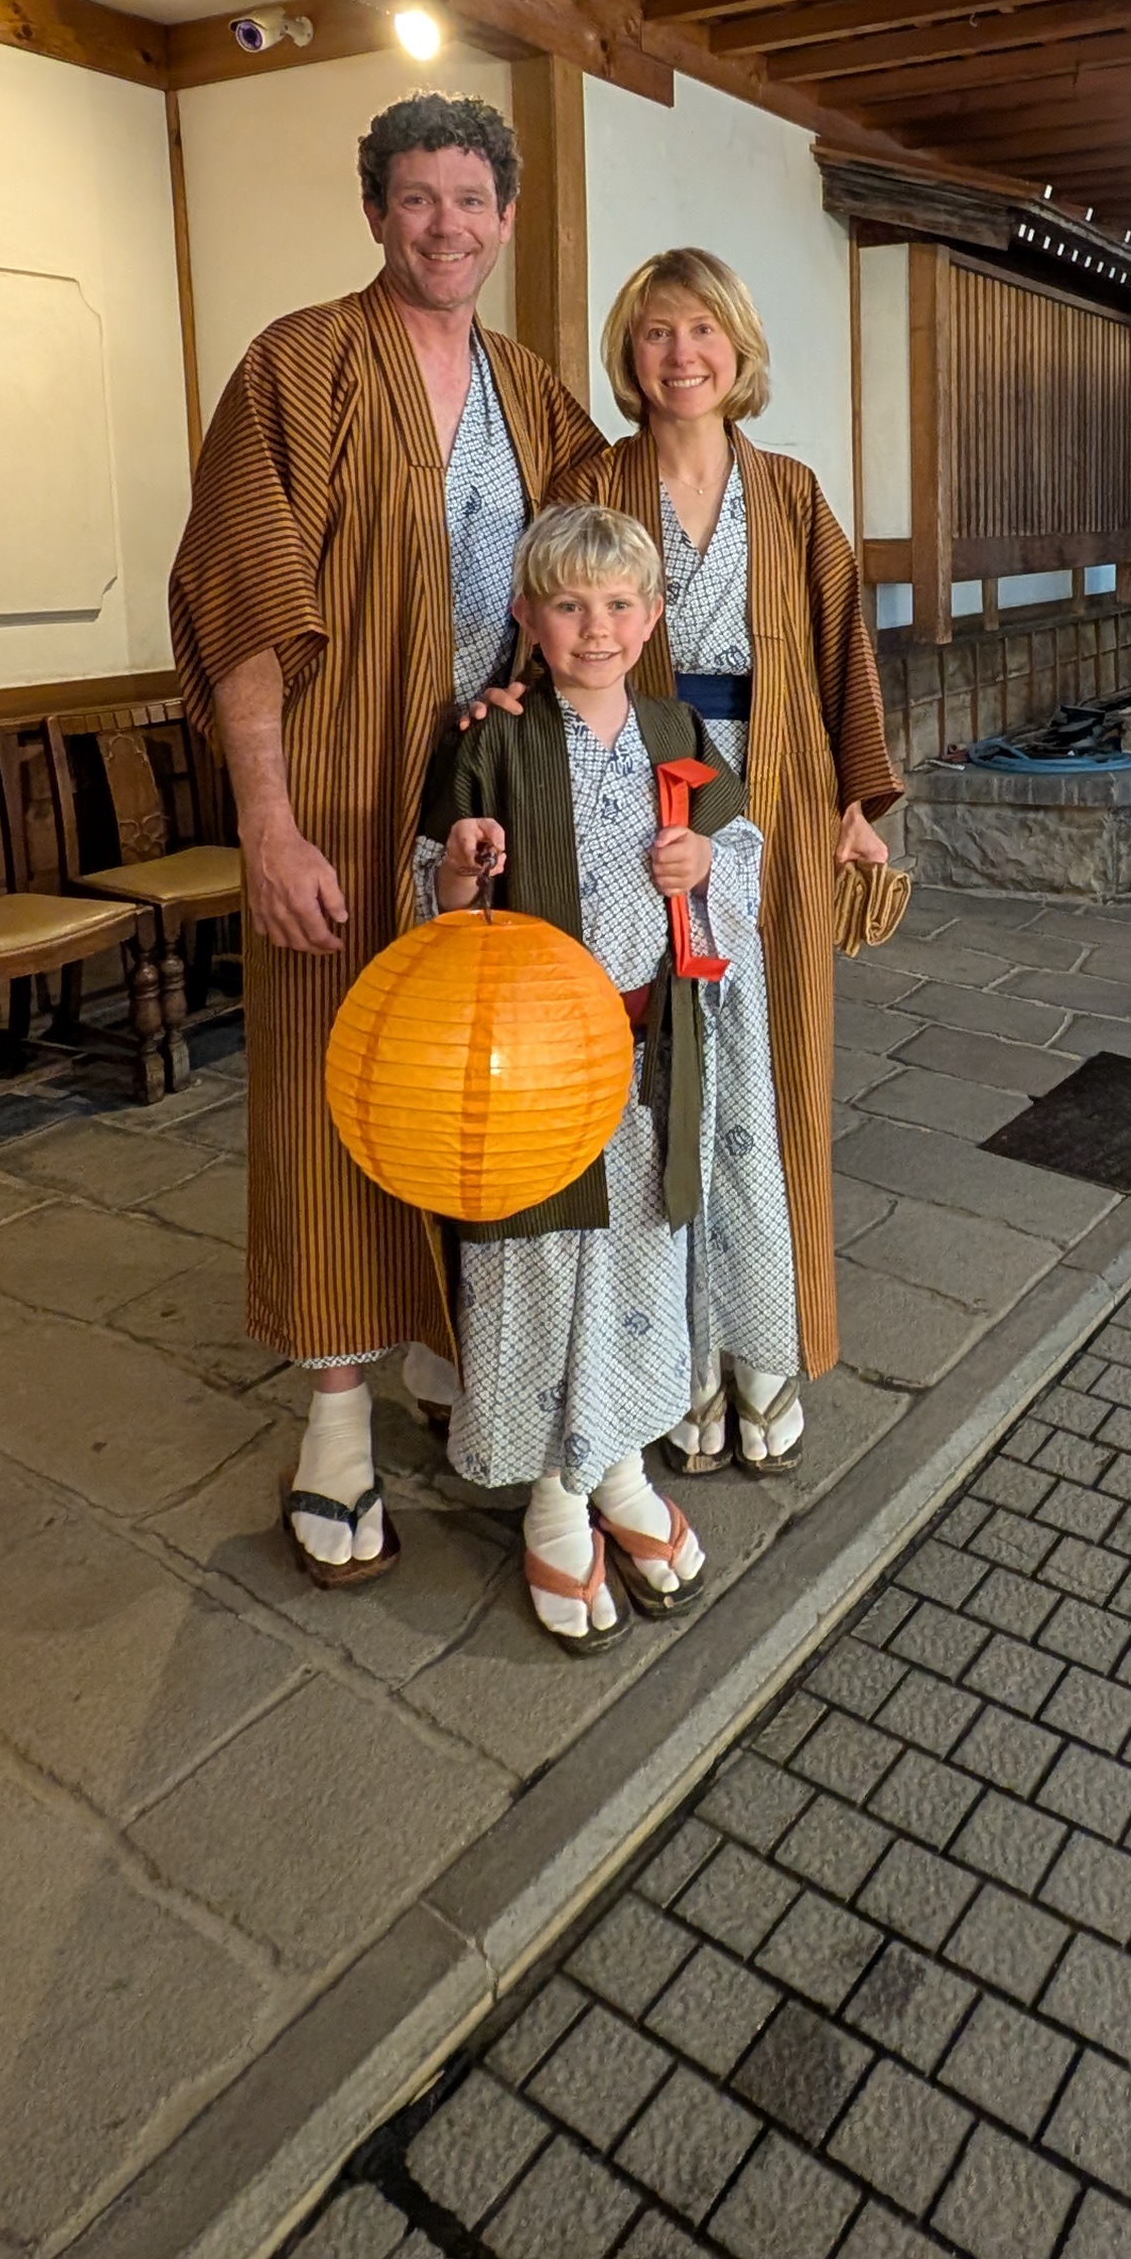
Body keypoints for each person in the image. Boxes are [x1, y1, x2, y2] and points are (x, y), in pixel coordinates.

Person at [170, 94, 601, 1587]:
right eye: (416, 199)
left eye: (471, 200)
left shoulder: (539, 397)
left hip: (481, 794)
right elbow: (241, 608)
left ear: (506, 216)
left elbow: (603, 577)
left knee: (482, 1076)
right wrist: (267, 823)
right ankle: (337, 1408)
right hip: (339, 790)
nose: (446, 226)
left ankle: (451, 1345)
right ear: (375, 214)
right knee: (325, 1077)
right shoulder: (297, 365)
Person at [419, 504, 771, 1643]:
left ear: (654, 614)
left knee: (634, 1267)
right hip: (531, 1068)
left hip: (651, 1059)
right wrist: (466, 871)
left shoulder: (676, 729)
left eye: (621, 604)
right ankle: (550, 1501)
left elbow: (748, 858)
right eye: (568, 605)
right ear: (527, 617)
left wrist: (707, 856)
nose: (596, 627)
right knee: (539, 1265)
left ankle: (614, 1469)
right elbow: (438, 887)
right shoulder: (494, 739)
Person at [580, 250, 900, 1473]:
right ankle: (678, 1356)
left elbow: (840, 659)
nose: (680, 356)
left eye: (703, 330)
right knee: (656, 1087)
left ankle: (763, 1344)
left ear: (738, 348)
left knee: (773, 1078)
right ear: (633, 352)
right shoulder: (595, 482)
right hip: (637, 809)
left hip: (775, 791)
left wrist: (857, 804)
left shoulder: (795, 495)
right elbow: (546, 617)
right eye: (656, 333)